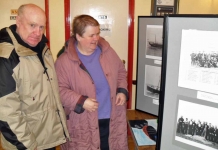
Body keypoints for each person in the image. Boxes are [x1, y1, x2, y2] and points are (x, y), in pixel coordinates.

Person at [0, 4, 69, 150]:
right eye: (32, 25)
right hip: (25, 143)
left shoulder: (43, 48)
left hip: (47, 138)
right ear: (18, 21)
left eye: (41, 27)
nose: (37, 33)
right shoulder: (6, 57)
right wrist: (28, 145)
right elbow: (6, 113)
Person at [55, 14, 129, 150]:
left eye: (97, 34)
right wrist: (81, 101)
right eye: (91, 35)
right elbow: (59, 90)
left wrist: (122, 90)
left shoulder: (107, 51)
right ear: (78, 36)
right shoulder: (64, 62)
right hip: (84, 122)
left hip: (112, 117)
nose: (96, 38)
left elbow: (121, 72)